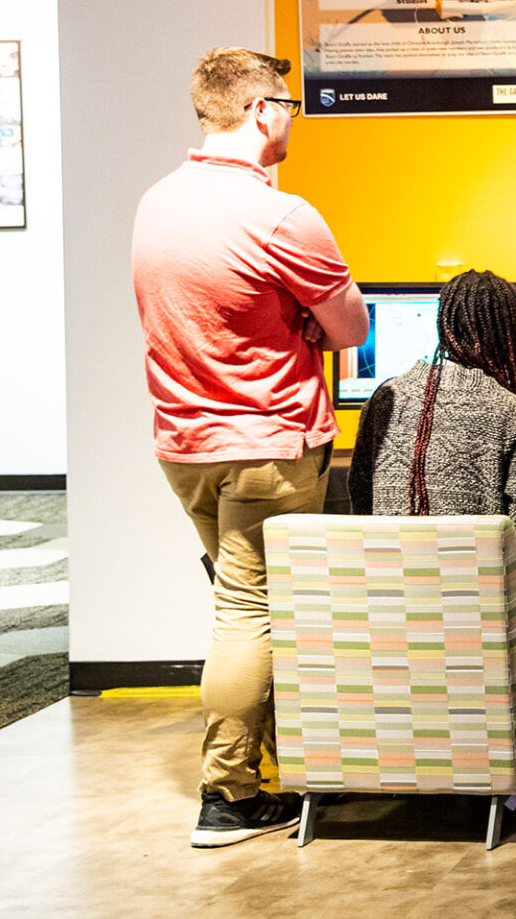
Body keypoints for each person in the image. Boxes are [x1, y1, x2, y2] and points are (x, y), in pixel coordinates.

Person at [131, 47, 367, 848]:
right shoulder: (281, 215)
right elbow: (351, 329)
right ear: (263, 111)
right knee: (252, 612)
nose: (294, 118)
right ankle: (227, 796)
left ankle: (277, 765)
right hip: (266, 445)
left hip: (184, 447)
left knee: (246, 608)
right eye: (291, 105)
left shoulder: (156, 204)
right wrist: (303, 320)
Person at [348, 269, 516, 622]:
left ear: (444, 324)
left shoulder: (383, 398)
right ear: (512, 333)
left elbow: (361, 505)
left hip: (390, 592)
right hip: (479, 601)